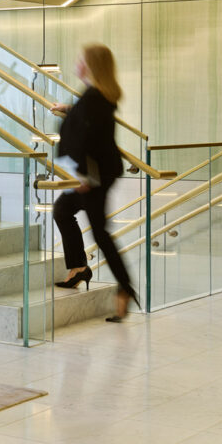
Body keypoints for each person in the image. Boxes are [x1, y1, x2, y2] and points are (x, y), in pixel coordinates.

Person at [49, 44, 138, 323]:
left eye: (81, 59)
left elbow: (85, 138)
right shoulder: (97, 96)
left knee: (99, 232)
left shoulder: (94, 97)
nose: (77, 62)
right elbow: (88, 126)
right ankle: (79, 269)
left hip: (93, 176)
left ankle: (123, 288)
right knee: (66, 212)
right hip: (99, 173)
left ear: (90, 65)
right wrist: (69, 110)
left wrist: (83, 176)